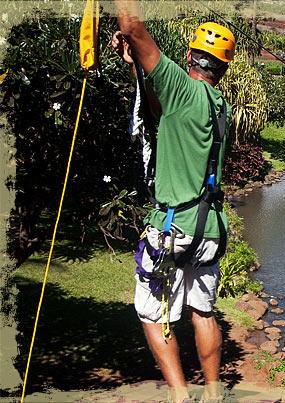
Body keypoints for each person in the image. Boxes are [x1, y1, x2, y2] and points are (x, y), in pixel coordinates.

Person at [113, 1, 234, 401]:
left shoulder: (181, 88)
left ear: (187, 58)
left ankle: (181, 396)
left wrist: (131, 36)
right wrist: (136, 65)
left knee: (150, 313)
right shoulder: (222, 109)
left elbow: (132, 24)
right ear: (224, 68)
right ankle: (213, 395)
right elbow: (158, 109)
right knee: (204, 312)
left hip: (173, 228)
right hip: (210, 230)